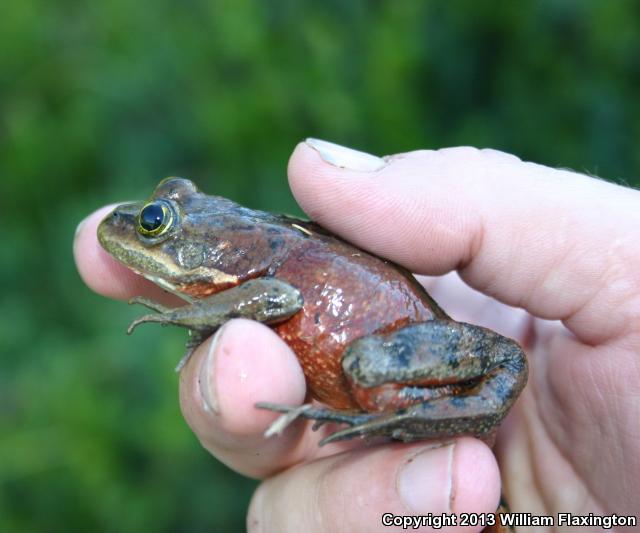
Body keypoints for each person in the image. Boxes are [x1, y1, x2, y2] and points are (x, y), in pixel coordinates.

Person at [74, 139, 640, 532]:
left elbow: (279, 298)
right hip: (469, 430)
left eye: (157, 225)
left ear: (201, 240)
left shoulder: (241, 266)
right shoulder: (243, 254)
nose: (144, 229)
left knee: (367, 365)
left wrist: (183, 316)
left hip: (394, 359)